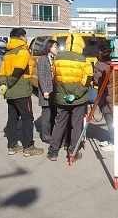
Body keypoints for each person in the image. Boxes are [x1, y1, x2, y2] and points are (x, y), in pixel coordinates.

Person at [47, 34, 93, 162]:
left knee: (59, 123)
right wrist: (75, 95)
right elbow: (87, 81)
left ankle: (53, 152)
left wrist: (63, 94)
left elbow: (55, 78)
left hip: (61, 98)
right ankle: (73, 152)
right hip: (78, 99)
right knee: (76, 125)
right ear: (81, 45)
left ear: (67, 44)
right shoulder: (85, 60)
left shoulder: (58, 58)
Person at [0, 27, 43, 157]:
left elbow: (1, 72)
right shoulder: (23, 52)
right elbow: (19, 69)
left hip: (10, 92)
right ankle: (28, 147)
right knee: (27, 118)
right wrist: (11, 82)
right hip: (22, 91)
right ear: (22, 36)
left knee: (12, 118)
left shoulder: (8, 53)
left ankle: (12, 146)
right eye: (25, 36)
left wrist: (4, 84)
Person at [37, 39, 59, 143]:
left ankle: (54, 134)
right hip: (46, 91)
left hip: (55, 91)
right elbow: (41, 76)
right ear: (49, 48)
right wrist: (45, 91)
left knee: (54, 114)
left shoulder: (56, 59)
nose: (57, 49)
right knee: (46, 115)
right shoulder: (43, 59)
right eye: (55, 47)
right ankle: (46, 136)